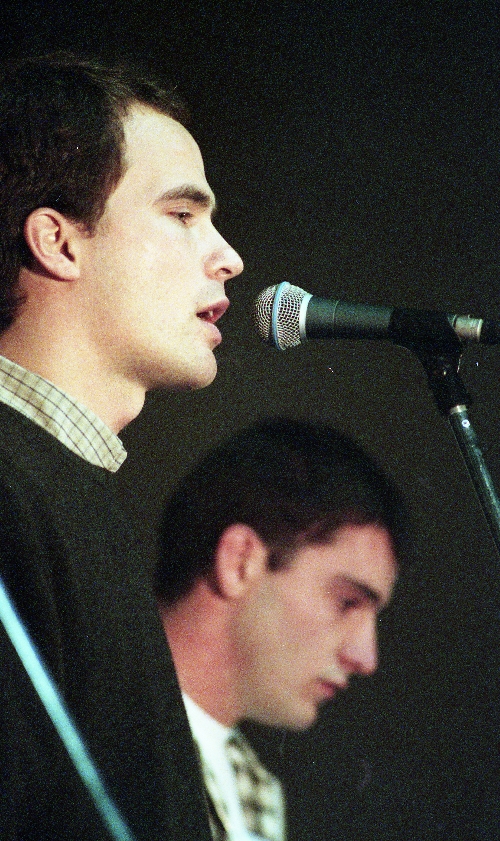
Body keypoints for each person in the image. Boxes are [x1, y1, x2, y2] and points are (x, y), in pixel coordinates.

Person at [0, 51, 243, 841]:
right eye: (182, 214)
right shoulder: (14, 490)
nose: (228, 257)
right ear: (59, 242)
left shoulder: (65, 486)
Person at [155, 417, 409, 841]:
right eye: (347, 602)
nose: (367, 659)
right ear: (239, 563)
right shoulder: (99, 740)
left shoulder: (255, 789)